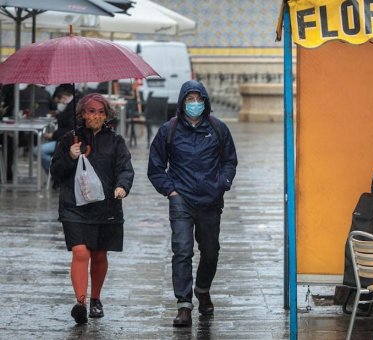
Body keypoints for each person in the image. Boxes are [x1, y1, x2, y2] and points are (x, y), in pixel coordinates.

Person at [147, 80, 237, 327]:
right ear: (182, 102)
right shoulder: (170, 130)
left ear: (205, 101)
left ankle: (203, 290)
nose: (194, 104)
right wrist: (171, 192)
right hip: (181, 200)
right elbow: (155, 167)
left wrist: (223, 182)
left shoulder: (218, 128)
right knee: (182, 251)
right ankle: (184, 305)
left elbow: (230, 160)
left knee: (210, 251)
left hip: (210, 200)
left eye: (198, 99)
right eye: (190, 100)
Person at [50, 93, 134, 324]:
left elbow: (125, 169)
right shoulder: (70, 139)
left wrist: (122, 187)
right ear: (82, 114)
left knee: (99, 254)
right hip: (74, 207)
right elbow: (56, 173)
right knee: (80, 252)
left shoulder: (116, 142)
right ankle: (81, 302)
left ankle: (96, 298)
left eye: (100, 112)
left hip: (106, 206)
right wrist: (69, 156)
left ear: (107, 115)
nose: (95, 116)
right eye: (90, 111)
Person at [41, 85, 76, 174]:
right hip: (70, 141)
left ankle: (58, 172)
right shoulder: (73, 105)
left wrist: (53, 135)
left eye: (60, 101)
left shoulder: (72, 108)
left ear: (64, 97)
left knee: (39, 151)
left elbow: (70, 129)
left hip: (68, 142)